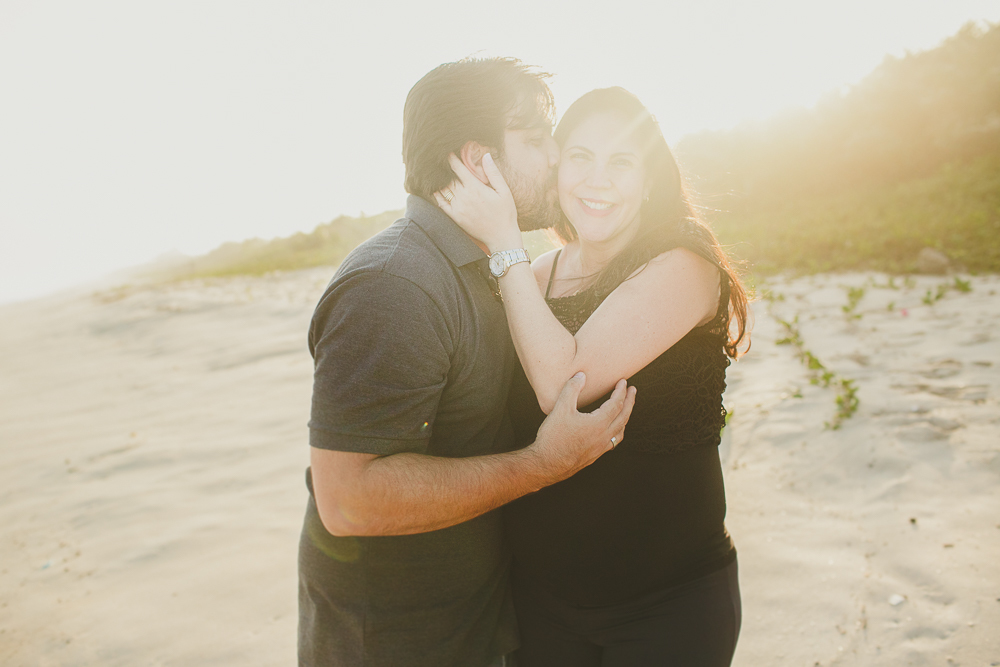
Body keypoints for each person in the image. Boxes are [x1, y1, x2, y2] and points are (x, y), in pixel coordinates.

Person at [298, 61, 637, 667]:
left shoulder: (494, 270)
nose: (558, 158)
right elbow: (347, 500)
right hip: (397, 645)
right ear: (478, 161)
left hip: (475, 626)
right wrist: (542, 465)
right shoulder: (394, 284)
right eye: (535, 141)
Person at [435, 86, 750, 666]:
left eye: (622, 162)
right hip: (541, 607)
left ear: (650, 179)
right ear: (557, 171)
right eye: (580, 157)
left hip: (667, 609)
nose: (597, 180)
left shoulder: (686, 265)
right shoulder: (537, 276)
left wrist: (504, 241)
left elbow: (564, 387)